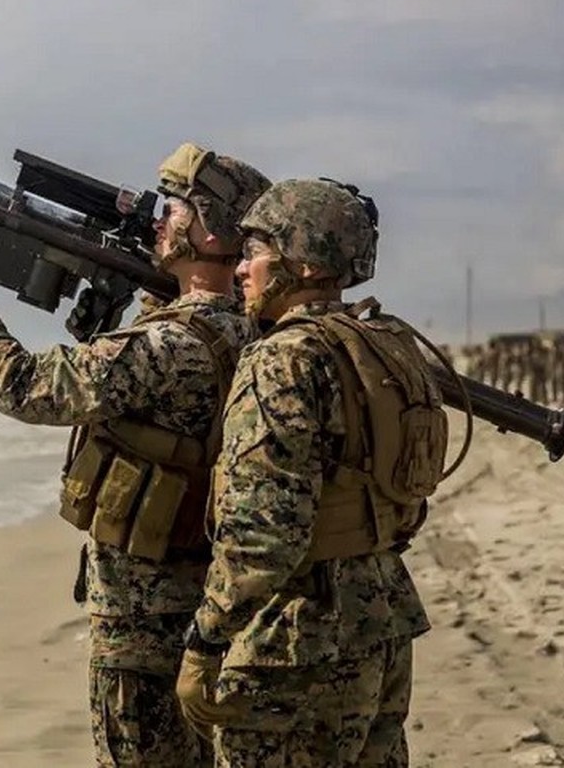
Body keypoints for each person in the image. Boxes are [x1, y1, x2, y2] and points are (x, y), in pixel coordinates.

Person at [0, 142, 271, 766]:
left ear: (211, 229)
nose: (161, 219)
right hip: (203, 607)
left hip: (143, 616)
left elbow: (27, 387)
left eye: (176, 207)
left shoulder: (169, 344)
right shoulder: (251, 332)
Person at [176, 179, 447, 767]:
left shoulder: (283, 358)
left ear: (297, 262)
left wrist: (206, 638)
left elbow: (263, 532)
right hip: (382, 621)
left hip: (294, 643)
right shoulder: (388, 346)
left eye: (255, 251)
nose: (241, 268)